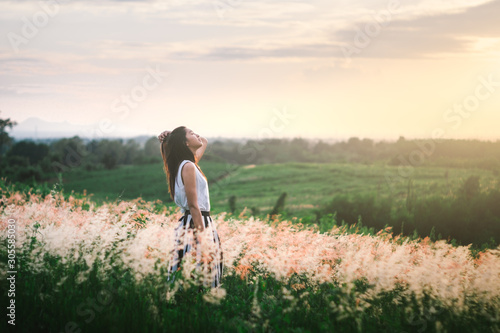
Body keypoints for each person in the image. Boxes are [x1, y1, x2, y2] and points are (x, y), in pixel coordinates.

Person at [158, 126, 223, 288]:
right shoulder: (188, 166)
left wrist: (170, 137)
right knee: (199, 270)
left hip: (192, 221)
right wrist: (204, 237)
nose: (197, 135)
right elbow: (194, 205)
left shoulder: (188, 164)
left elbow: (204, 141)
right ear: (185, 143)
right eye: (191, 133)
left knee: (191, 270)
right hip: (197, 221)